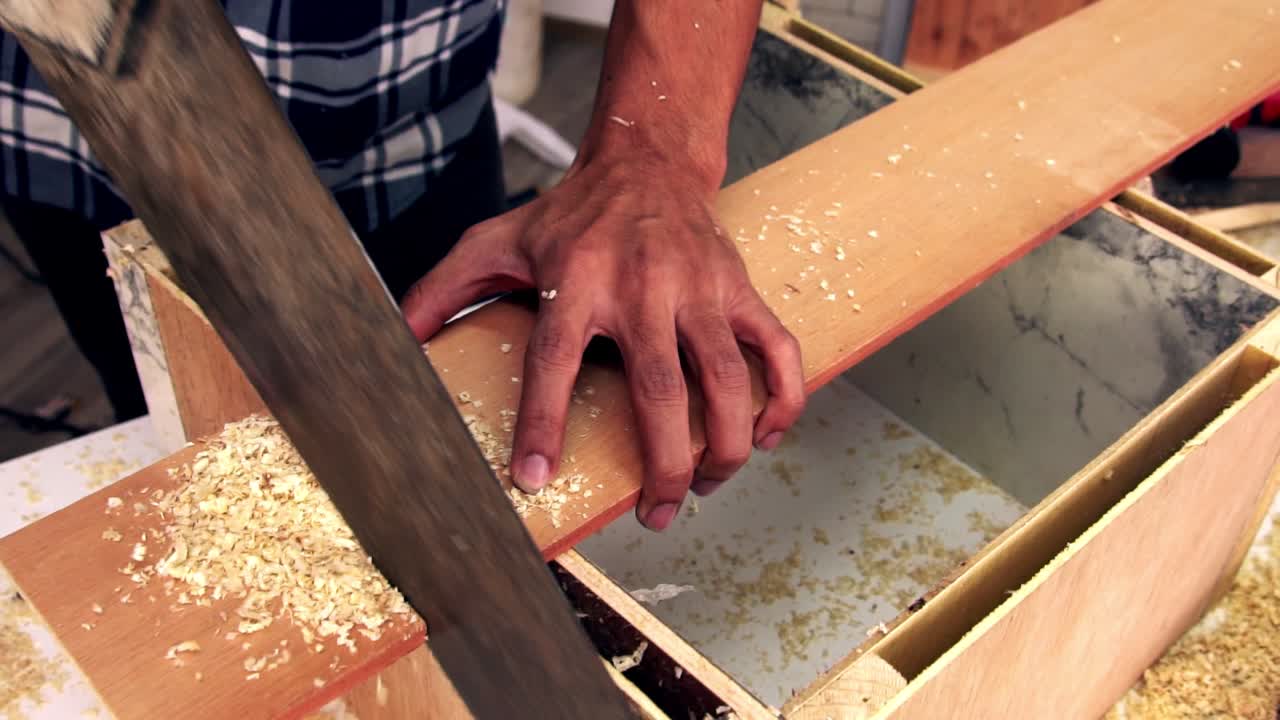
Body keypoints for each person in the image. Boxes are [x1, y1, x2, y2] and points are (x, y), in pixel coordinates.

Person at [0, 1, 806, 531]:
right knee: (188, 466)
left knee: (471, 454)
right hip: (90, 155)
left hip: (416, 125)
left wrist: (650, 153)